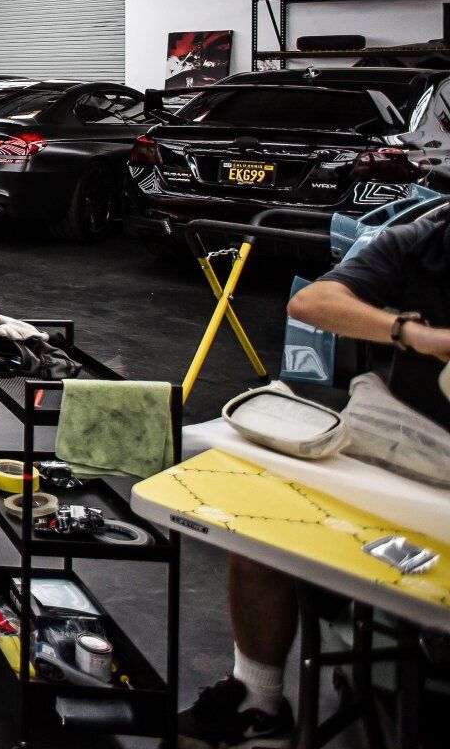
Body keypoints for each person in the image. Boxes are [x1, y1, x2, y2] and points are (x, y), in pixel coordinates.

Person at [175, 205, 450, 749]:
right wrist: (411, 333)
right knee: (262, 525)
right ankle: (257, 701)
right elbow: (312, 302)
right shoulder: (428, 239)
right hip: (408, 458)